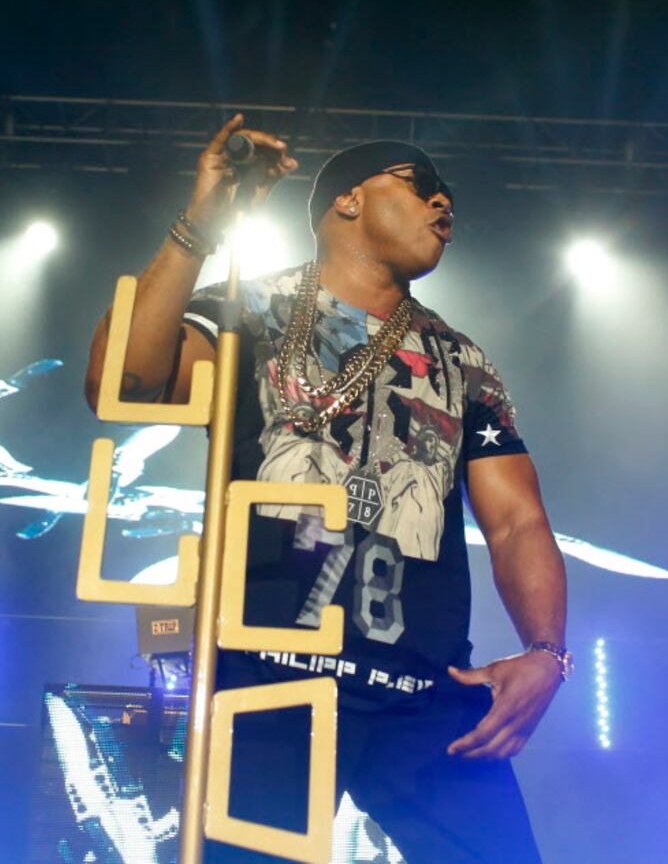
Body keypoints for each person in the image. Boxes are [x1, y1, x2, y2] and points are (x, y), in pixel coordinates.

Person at [85, 114, 568, 863]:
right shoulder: (249, 308)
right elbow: (126, 381)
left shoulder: (461, 360)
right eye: (420, 186)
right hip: (268, 678)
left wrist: (546, 652)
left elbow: (515, 520)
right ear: (346, 200)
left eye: (449, 197)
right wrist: (200, 226)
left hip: (424, 687)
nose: (446, 205)